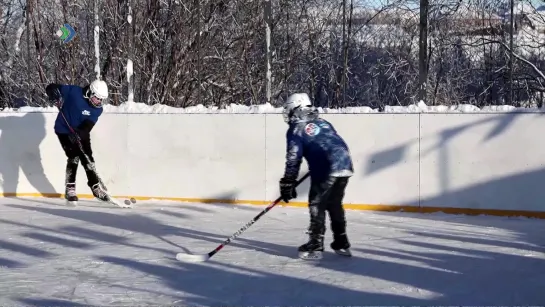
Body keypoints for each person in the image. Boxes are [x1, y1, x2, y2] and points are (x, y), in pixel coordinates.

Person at [279, 92, 354, 260]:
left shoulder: (296, 129)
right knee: (334, 204)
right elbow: (330, 144)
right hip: (344, 164)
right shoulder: (323, 122)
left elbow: (293, 157)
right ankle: (341, 242)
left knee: (317, 203)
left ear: (295, 109)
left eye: (289, 110)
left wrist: (288, 182)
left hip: (326, 167)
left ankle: (315, 244)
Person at [45, 80, 109, 205]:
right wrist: (53, 93)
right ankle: (70, 188)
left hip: (80, 131)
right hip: (63, 130)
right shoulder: (74, 92)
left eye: (101, 100)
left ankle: (95, 187)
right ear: (90, 92)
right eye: (97, 98)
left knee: (88, 157)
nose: (99, 102)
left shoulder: (97, 110)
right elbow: (51, 87)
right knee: (73, 156)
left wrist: (79, 134)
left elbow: (87, 126)